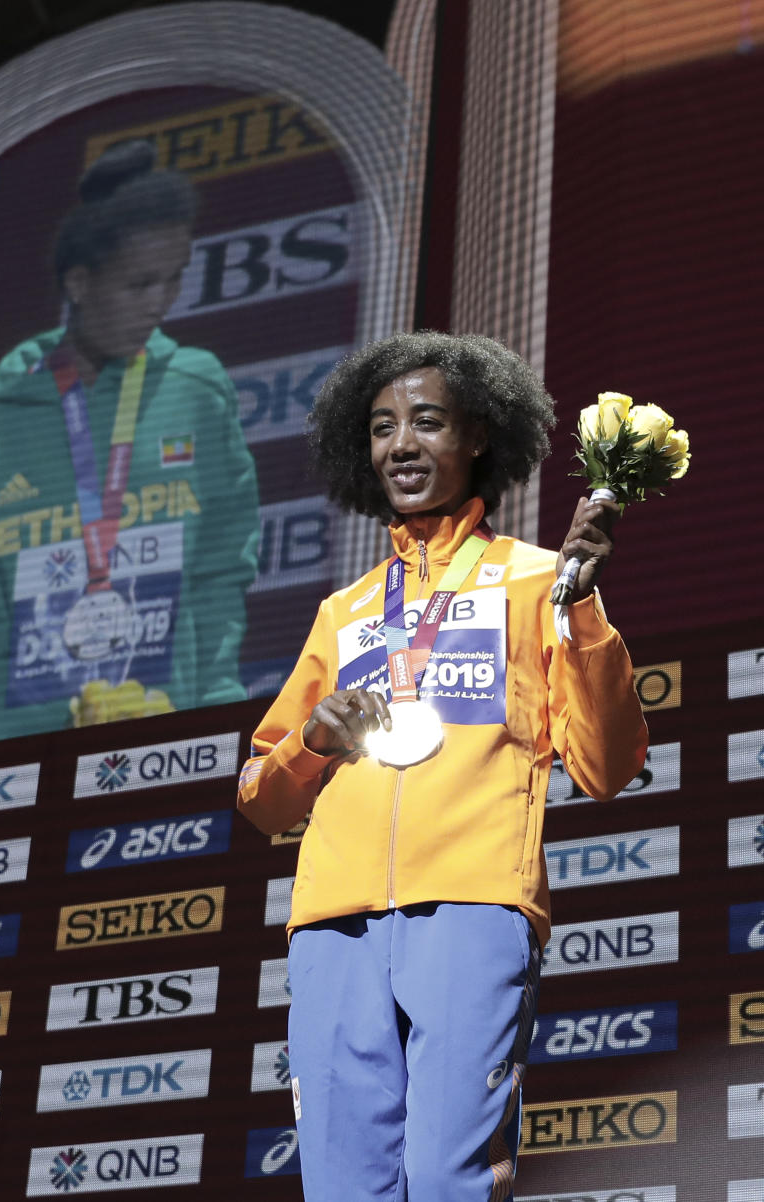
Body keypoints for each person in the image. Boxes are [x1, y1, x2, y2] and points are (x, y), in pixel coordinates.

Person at [237, 331, 647, 1202]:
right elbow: (264, 801)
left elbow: (607, 765)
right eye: (384, 427)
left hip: (472, 906)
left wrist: (582, 612)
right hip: (334, 925)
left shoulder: (540, 582)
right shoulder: (343, 611)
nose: (402, 445)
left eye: (428, 422)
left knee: (446, 1178)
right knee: (344, 1185)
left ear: (479, 436)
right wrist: (313, 740)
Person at [0, 140, 260, 754]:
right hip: (15, 784)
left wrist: (215, 724)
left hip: (166, 758)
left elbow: (220, 575)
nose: (160, 304)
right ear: (79, 283)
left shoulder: (195, 390)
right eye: (139, 284)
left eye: (175, 278)